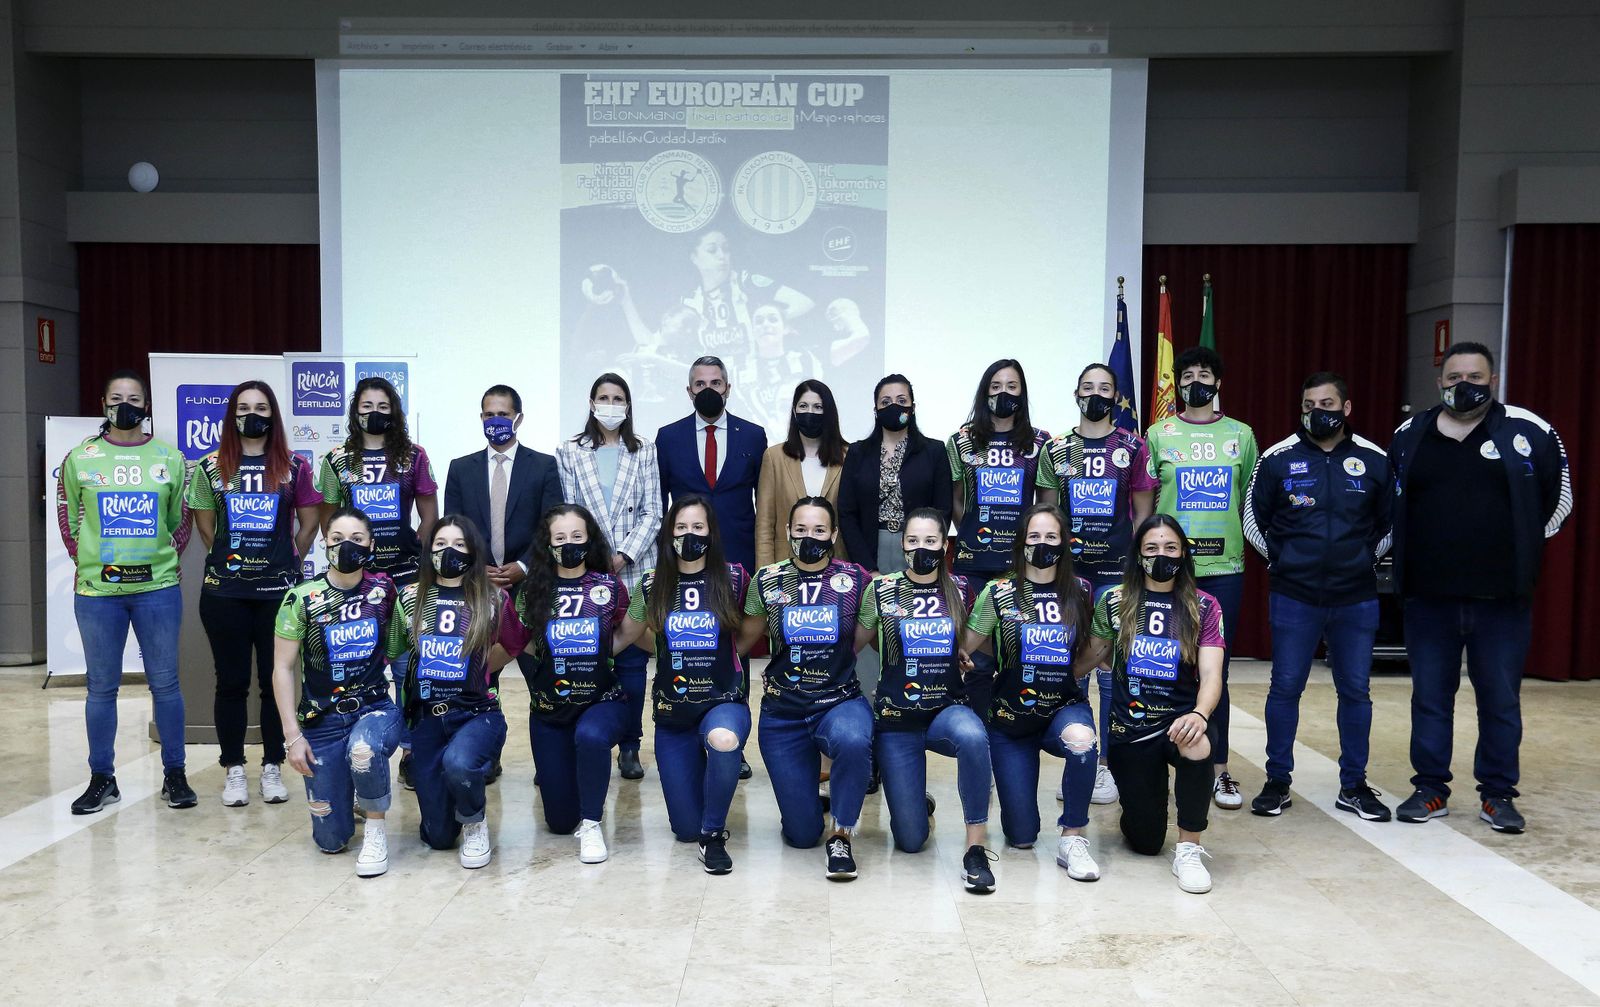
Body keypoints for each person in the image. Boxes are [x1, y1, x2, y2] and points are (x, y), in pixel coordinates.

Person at [1387, 342, 1572, 833]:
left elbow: (1559, 500)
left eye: (1473, 376)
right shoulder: (1410, 433)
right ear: (1440, 382)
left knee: (1500, 700)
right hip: (1428, 597)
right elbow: (1392, 503)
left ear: (1493, 380)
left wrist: (1523, 545)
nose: (1462, 385)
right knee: (1430, 698)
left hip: (1502, 600)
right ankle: (1430, 789)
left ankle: (1497, 794)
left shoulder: (1529, 430)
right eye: (1453, 377)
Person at [1244, 372, 1394, 820]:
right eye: (1309, 406)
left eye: (1326, 405)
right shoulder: (1277, 457)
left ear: (1345, 409)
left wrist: (1363, 560)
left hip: (1356, 596)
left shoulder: (1374, 459)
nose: (1317, 413)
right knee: (1285, 687)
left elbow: (1392, 522)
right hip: (1294, 594)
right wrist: (1283, 560)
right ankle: (1277, 781)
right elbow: (1251, 517)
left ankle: (1354, 785)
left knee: (1356, 691)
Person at [57, 369, 196, 814]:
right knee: (101, 688)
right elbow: (69, 520)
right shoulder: (80, 458)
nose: (125, 406)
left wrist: (158, 561)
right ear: (103, 404)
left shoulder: (170, 458)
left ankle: (175, 774)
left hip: (158, 589)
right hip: (98, 592)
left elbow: (180, 522)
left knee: (166, 684)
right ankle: (102, 778)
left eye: (134, 398)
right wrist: (91, 563)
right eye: (116, 398)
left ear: (146, 406)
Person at [187, 380, 321, 807]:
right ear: (232, 416)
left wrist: (285, 561)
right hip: (224, 593)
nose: (252, 415)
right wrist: (235, 562)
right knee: (230, 683)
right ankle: (233, 769)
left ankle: (272, 766)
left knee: (273, 681)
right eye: (243, 408)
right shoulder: (210, 467)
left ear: (273, 415)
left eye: (261, 408)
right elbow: (206, 527)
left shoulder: (295, 466)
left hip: (277, 594)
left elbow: (310, 524)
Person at [1074, 515, 1225, 894]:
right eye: (1152, 548)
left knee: (1198, 743)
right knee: (1145, 841)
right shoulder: (1114, 600)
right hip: (1130, 730)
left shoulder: (1204, 606)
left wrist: (1200, 714)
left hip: (1180, 721)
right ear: (1138, 554)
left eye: (1171, 548)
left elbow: (1212, 674)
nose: (1162, 556)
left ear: (1184, 553)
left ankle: (1189, 848)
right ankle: (1142, 803)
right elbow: (1091, 656)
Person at [1037, 363, 1157, 807]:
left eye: (1104, 388)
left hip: (1115, 572)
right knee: (1073, 663)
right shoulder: (1056, 449)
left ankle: (1105, 765)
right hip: (1070, 575)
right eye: (1087, 387)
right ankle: (1080, 759)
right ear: (1076, 395)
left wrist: (1134, 567)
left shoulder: (1133, 446)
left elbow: (1143, 513)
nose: (1095, 395)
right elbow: (1048, 515)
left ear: (1116, 397)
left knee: (1107, 665)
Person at [1143, 346, 1257, 809]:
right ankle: (1154, 756)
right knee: (1161, 663)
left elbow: (1248, 500)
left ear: (1218, 383)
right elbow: (1146, 502)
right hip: (1168, 571)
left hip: (1223, 569)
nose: (1195, 382)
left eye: (1204, 375)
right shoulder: (1158, 434)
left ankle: (1219, 769)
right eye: (1186, 375)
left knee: (1216, 672)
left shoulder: (1241, 435)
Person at [859, 508, 995, 893]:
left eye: (931, 541)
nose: (922, 548)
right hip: (896, 719)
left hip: (945, 711)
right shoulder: (879, 589)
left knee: (973, 735)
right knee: (910, 841)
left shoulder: (962, 589)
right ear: (903, 545)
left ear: (944, 546)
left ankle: (975, 848)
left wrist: (964, 655)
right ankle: (917, 803)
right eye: (914, 540)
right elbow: (856, 642)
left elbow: (974, 637)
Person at [738, 496, 873, 881]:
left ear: (833, 534)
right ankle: (811, 805)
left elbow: (862, 637)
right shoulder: (767, 580)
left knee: (853, 739)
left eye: (819, 530)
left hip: (838, 701)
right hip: (784, 713)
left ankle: (841, 835)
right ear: (787, 532)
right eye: (800, 529)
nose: (809, 537)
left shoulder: (856, 580)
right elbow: (743, 642)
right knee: (801, 835)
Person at [962, 504, 1098, 881]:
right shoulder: (998, 592)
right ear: (1021, 543)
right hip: (1011, 721)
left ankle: (1073, 837)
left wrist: (1064, 673)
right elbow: (967, 645)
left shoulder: (1081, 591)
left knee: (1082, 740)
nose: (1042, 544)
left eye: (1051, 537)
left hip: (1062, 708)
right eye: (1034, 536)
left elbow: (1092, 649)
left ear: (1064, 543)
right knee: (1021, 837)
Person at [618, 496, 752, 874]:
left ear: (711, 533)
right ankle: (700, 818)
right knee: (684, 829)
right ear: (668, 534)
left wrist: (726, 654)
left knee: (723, 739)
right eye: (680, 528)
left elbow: (751, 630)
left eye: (697, 527)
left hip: (722, 700)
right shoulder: (651, 583)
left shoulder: (736, 578)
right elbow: (627, 636)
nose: (688, 535)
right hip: (673, 711)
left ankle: (714, 835)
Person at [317, 376, 439, 788]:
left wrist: (418, 550)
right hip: (356, 581)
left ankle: (411, 751)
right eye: (366, 406)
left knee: (407, 667)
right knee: (357, 664)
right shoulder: (336, 460)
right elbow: (329, 520)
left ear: (395, 412)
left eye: (383, 406)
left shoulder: (414, 456)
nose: (374, 413)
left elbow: (429, 514)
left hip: (403, 576)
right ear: (355, 412)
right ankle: (357, 749)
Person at [271, 507, 405, 876]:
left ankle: (375, 829)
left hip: (374, 709)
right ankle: (350, 793)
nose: (347, 546)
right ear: (324, 543)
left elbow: (399, 651)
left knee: (363, 749)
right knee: (331, 840)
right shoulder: (301, 598)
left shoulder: (384, 590)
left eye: (357, 539)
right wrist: (292, 737)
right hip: (322, 720)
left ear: (371, 545)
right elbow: (282, 669)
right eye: (338, 539)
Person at [443, 383, 563, 786]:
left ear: (518, 418)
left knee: (539, 677)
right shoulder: (461, 468)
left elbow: (551, 526)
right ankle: (484, 759)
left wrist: (524, 566)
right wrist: (478, 571)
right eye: (489, 414)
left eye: (503, 414)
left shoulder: (543, 466)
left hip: (528, 589)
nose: (496, 420)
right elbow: (454, 530)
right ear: (481, 418)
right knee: (480, 679)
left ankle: (549, 764)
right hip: (477, 589)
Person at [395, 515, 529, 870]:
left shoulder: (493, 597)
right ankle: (448, 807)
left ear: (473, 552)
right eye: (440, 544)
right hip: (427, 718)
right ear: (428, 550)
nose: (448, 551)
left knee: (459, 763)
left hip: (476, 713)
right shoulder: (410, 596)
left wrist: (482, 667)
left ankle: (475, 823)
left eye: (458, 544)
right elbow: (395, 649)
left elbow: (515, 643)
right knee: (438, 838)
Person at [555, 373, 662, 781]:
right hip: (586, 572)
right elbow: (569, 513)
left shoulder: (644, 450)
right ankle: (581, 739)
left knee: (633, 663)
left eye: (618, 398)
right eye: (604, 397)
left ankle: (631, 745)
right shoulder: (569, 451)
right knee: (586, 659)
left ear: (628, 405)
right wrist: (596, 558)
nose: (611, 405)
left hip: (634, 568)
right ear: (591, 402)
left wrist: (621, 555)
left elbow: (654, 511)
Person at [513, 504, 632, 863]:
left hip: (601, 701)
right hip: (550, 710)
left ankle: (593, 823)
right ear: (547, 544)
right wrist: (551, 654)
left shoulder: (609, 586)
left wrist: (601, 650)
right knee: (560, 822)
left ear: (589, 539)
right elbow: (522, 641)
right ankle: (579, 786)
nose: (569, 544)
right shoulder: (532, 590)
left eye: (577, 536)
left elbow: (626, 631)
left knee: (591, 735)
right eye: (560, 538)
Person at [656, 355, 766, 578]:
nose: (708, 390)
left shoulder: (753, 435)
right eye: (700, 384)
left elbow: (763, 501)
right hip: (685, 557)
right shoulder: (668, 437)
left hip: (740, 552)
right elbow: (659, 503)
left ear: (728, 388)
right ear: (690, 392)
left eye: (715, 383)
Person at [838, 374, 954, 576]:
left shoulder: (934, 451)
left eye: (901, 401)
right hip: (869, 550)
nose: (894, 407)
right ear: (876, 410)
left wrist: (925, 555)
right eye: (885, 402)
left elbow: (943, 509)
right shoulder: (857, 452)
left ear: (912, 408)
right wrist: (867, 568)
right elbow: (847, 513)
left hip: (917, 547)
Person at [947, 359, 1051, 581]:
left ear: (1022, 393)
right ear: (985, 392)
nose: (1003, 393)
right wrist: (970, 530)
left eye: (1011, 386)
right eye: (995, 386)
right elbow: (955, 498)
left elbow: (1045, 503)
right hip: (973, 557)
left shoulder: (1040, 441)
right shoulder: (961, 440)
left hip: (1022, 560)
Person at [755, 379, 848, 568]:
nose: (810, 412)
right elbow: (765, 523)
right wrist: (765, 573)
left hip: (836, 566)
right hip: (785, 564)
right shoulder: (774, 457)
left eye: (818, 407)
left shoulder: (849, 456)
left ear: (828, 412)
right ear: (794, 410)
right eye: (803, 406)